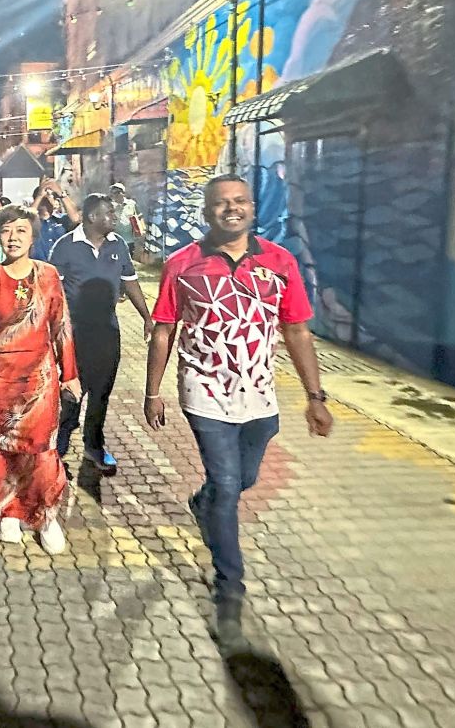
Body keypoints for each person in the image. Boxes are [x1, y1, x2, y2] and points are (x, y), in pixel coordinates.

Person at [143, 174, 334, 653]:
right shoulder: (182, 265)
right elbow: (163, 330)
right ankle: (229, 591)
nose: (232, 209)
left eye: (240, 201)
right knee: (229, 486)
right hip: (204, 394)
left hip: (260, 399)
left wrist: (316, 396)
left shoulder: (279, 262)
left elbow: (297, 332)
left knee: (240, 480)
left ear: (252, 208)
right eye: (221, 203)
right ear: (207, 212)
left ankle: (203, 502)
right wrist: (153, 391)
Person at [0, 206, 80, 554]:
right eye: (7, 231)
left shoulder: (49, 275)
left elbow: (61, 325)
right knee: (1, 448)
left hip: (40, 379)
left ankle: (45, 515)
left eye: (21, 231)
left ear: (33, 236)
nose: (13, 238)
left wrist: (69, 373)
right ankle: (8, 511)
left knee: (42, 450)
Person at [49, 193, 154, 471]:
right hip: (74, 336)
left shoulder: (117, 244)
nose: (115, 217)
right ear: (93, 217)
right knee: (71, 393)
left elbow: (130, 282)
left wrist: (147, 317)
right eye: (109, 213)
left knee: (101, 393)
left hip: (108, 332)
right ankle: (59, 444)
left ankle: (94, 445)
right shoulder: (64, 247)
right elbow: (52, 292)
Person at [29, 178, 80, 260]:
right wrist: (40, 195)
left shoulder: (62, 219)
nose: (46, 198)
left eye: (49, 195)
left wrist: (61, 193)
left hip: (60, 268)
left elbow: (76, 218)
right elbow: (25, 219)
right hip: (37, 267)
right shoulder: (33, 222)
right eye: (43, 197)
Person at [109, 183, 141, 250]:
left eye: (117, 192)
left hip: (129, 240)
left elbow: (139, 219)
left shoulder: (132, 204)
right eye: (113, 193)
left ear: (123, 193)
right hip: (115, 241)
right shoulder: (111, 206)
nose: (115, 195)